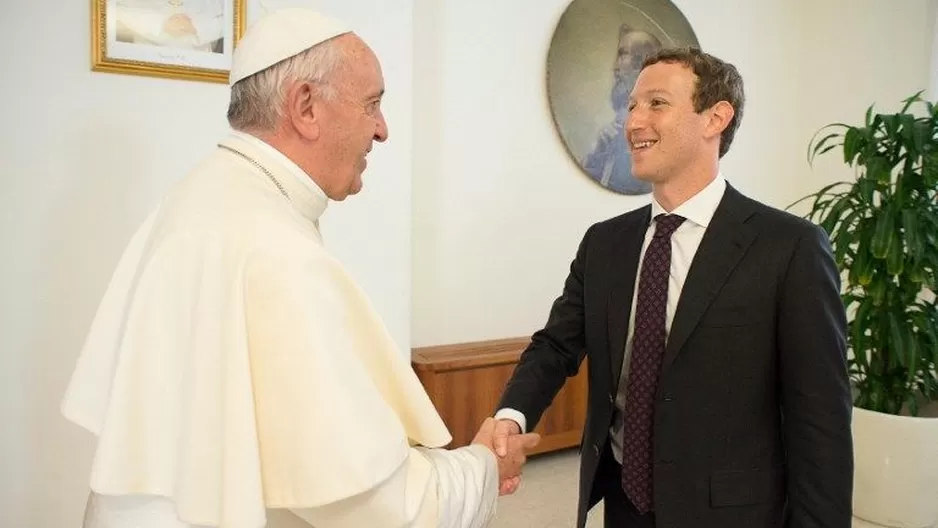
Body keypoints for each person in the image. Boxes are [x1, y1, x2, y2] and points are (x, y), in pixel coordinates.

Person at [62, 8, 538, 528]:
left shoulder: (199, 196)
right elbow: (387, 508)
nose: (382, 131)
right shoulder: (275, 249)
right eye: (372, 105)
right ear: (306, 107)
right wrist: (484, 466)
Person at [491, 47, 853, 527]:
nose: (634, 122)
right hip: (623, 504)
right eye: (632, 106)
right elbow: (556, 345)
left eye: (656, 104)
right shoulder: (604, 244)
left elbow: (820, 420)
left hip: (731, 515)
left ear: (715, 118)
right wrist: (510, 416)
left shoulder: (790, 248)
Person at [581, 24, 660, 195]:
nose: (615, 67)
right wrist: (598, 154)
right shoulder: (616, 126)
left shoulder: (656, 134)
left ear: (642, 64)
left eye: (623, 55)